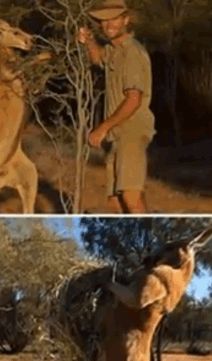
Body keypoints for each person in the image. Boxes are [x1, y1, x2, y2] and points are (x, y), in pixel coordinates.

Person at [77, 0, 155, 214]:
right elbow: (98, 60)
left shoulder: (132, 52)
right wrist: (90, 41)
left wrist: (101, 128)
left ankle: (149, 243)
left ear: (126, 20)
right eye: (103, 20)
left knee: (130, 196)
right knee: (116, 202)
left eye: (113, 18)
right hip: (116, 135)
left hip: (131, 130)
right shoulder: (114, 49)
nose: (108, 24)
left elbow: (134, 99)